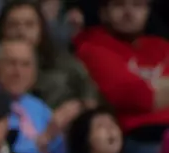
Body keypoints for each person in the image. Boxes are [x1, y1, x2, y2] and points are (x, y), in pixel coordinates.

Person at [72, 0, 169, 138]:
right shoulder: (92, 46)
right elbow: (136, 96)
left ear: (148, 11)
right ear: (104, 13)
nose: (128, 13)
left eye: (137, 5)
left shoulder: (161, 46)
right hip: (139, 135)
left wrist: (149, 86)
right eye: (119, 4)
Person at [0, 0, 97, 111]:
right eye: (13, 25)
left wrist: (75, 109)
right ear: (2, 30)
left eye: (29, 25)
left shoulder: (66, 66)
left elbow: (91, 100)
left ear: (41, 29)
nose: (21, 32)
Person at [0, 38, 67, 153]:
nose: (18, 72)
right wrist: (44, 139)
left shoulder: (38, 106)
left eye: (25, 65)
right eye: (11, 63)